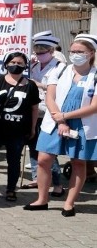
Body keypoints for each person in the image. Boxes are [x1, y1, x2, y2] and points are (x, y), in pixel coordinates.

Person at [27, 33, 97, 216]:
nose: (75, 54)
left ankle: (69, 203)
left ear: (91, 53)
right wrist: (60, 119)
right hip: (55, 120)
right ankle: (42, 199)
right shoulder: (59, 69)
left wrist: (65, 116)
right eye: (72, 51)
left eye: (80, 51)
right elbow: (50, 96)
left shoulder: (95, 76)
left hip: (82, 123)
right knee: (43, 159)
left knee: (78, 163)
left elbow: (94, 107)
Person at [0, 51, 39, 203]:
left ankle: (11, 190)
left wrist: (33, 128)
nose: (16, 65)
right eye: (13, 62)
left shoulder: (31, 85)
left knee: (14, 162)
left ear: (25, 66)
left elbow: (34, 108)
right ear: (6, 64)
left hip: (17, 131)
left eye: (20, 63)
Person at [23, 31, 66, 195]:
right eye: (37, 52)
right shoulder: (33, 65)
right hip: (34, 110)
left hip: (50, 112)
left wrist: (38, 84)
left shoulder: (60, 67)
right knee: (33, 146)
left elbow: (59, 90)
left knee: (47, 150)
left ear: (51, 51)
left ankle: (57, 183)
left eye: (43, 52)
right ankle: (38, 177)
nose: (39, 55)